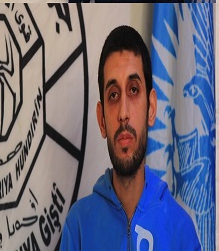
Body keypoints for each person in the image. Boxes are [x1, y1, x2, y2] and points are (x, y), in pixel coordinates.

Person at [61, 26, 200, 250]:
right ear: (102, 120)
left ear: (151, 108)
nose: (123, 113)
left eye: (133, 90)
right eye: (113, 95)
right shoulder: (78, 226)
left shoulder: (180, 230)